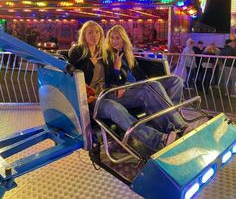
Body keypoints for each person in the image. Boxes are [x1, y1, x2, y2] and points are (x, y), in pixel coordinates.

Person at [68, 21, 178, 155]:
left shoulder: (104, 53)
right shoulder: (78, 51)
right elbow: (72, 74)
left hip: (108, 92)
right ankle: (157, 140)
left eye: (97, 32)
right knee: (114, 108)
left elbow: (112, 79)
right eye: (90, 32)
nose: (94, 35)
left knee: (148, 89)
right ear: (84, 34)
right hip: (91, 100)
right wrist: (91, 64)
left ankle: (172, 129)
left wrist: (116, 69)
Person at [104, 24, 189, 134]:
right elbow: (111, 81)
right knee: (153, 87)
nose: (114, 41)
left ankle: (169, 120)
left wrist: (148, 82)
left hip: (138, 85)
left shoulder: (128, 54)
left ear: (123, 39)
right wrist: (116, 68)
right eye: (111, 38)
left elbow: (141, 75)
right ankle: (179, 126)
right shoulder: (108, 56)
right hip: (124, 90)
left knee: (176, 80)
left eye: (117, 38)